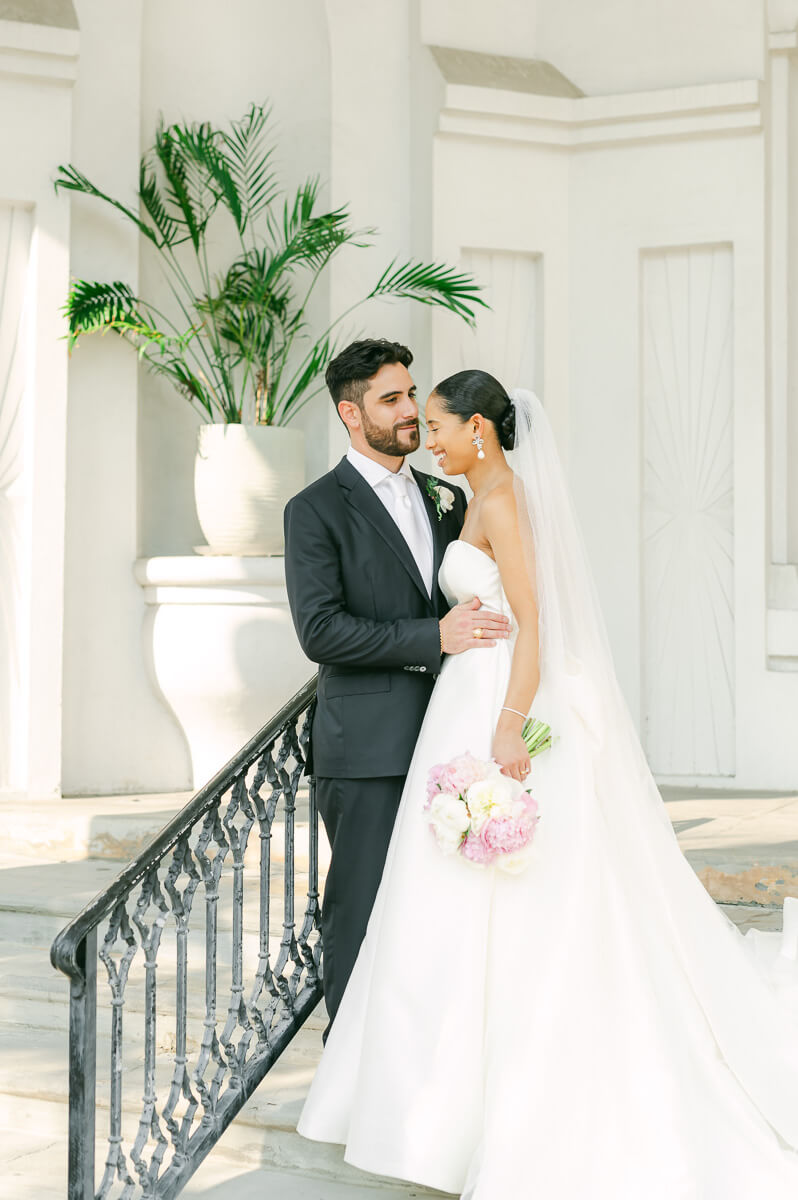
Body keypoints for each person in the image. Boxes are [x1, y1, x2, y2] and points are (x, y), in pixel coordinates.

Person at [297, 369, 798, 1197]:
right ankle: (431, 1097)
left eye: (440, 423)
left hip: (495, 698)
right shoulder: (471, 495)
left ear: (480, 431)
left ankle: (489, 1100)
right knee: (447, 897)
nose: (431, 436)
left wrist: (509, 719)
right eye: (416, 418)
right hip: (460, 695)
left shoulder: (500, 502)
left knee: (512, 896)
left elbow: (536, 620)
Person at [284, 342, 510, 1040]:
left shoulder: (446, 496)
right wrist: (430, 638)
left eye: (411, 394)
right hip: (369, 747)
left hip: (450, 737)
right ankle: (350, 1054)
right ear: (352, 414)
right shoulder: (314, 509)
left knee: (436, 904)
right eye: (392, 399)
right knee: (361, 905)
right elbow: (321, 632)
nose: (412, 410)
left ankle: (420, 1051)